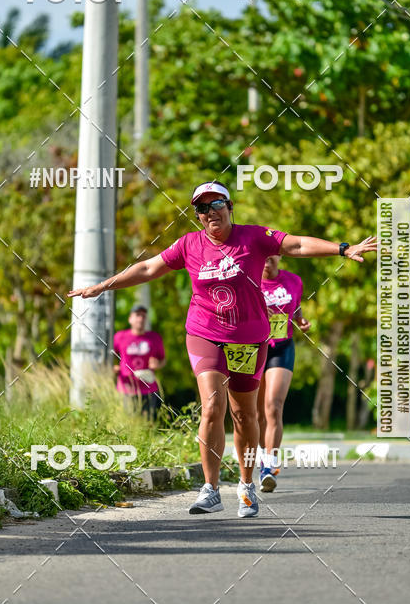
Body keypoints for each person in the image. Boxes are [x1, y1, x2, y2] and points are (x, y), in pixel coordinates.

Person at [69, 181, 376, 519]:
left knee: (244, 414)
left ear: (231, 207)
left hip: (248, 337)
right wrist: (103, 286)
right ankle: (211, 489)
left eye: (217, 204)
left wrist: (343, 249)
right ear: (197, 216)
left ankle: (246, 486)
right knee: (212, 405)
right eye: (202, 208)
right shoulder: (189, 245)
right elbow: (146, 268)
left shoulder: (254, 237)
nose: (210, 212)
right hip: (205, 332)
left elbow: (298, 244)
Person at [257, 259, 310, 492]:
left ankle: (269, 467)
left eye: (272, 256)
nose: (267, 261)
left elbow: (295, 305)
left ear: (279, 256)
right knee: (256, 413)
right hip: (254, 348)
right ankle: (260, 458)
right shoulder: (250, 280)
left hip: (282, 348)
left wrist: (300, 319)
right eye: (263, 256)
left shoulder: (294, 280)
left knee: (273, 407)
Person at [113, 304, 165, 421]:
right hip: (126, 388)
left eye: (143, 316)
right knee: (128, 424)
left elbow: (163, 360)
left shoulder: (154, 338)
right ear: (130, 319)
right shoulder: (120, 337)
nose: (140, 319)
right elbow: (109, 355)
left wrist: (158, 364)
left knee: (148, 424)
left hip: (148, 387)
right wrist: (114, 367)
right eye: (137, 315)